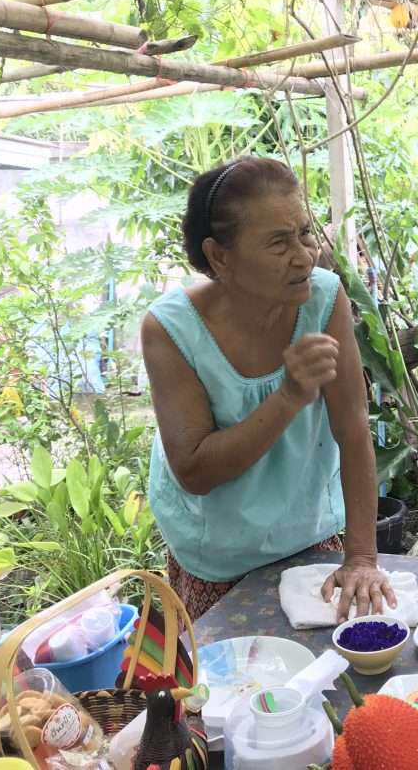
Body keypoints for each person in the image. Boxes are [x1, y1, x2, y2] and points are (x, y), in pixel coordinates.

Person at [141, 157, 395, 623]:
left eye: (305, 233)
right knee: (236, 666)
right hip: (218, 554)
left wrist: (362, 557)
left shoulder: (324, 298)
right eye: (278, 242)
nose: (304, 256)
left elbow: (353, 427)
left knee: (325, 660)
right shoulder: (171, 329)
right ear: (219, 256)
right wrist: (288, 398)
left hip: (309, 532)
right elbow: (194, 471)